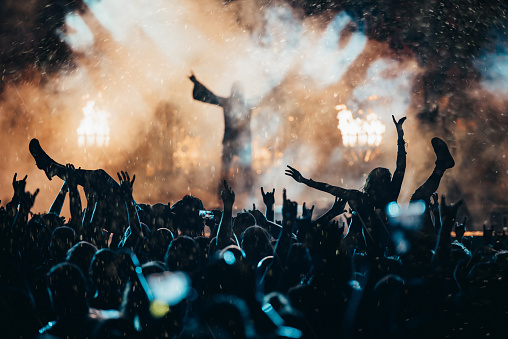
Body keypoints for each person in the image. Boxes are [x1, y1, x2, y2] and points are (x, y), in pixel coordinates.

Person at [285, 116, 455, 254]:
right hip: (379, 249)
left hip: (392, 245)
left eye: (384, 182)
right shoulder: (369, 197)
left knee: (418, 198)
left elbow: (400, 167)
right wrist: (305, 181)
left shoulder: (370, 196)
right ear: (372, 184)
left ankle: (441, 166)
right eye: (381, 182)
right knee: (418, 199)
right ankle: (440, 167)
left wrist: (401, 137)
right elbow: (330, 188)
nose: (382, 186)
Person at [189, 74, 256, 191]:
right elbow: (211, 96)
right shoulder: (247, 104)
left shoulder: (229, 103)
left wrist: (196, 82)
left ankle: (225, 195)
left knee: (233, 171)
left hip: (233, 143)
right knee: (241, 171)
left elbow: (210, 96)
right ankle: (248, 197)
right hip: (239, 143)